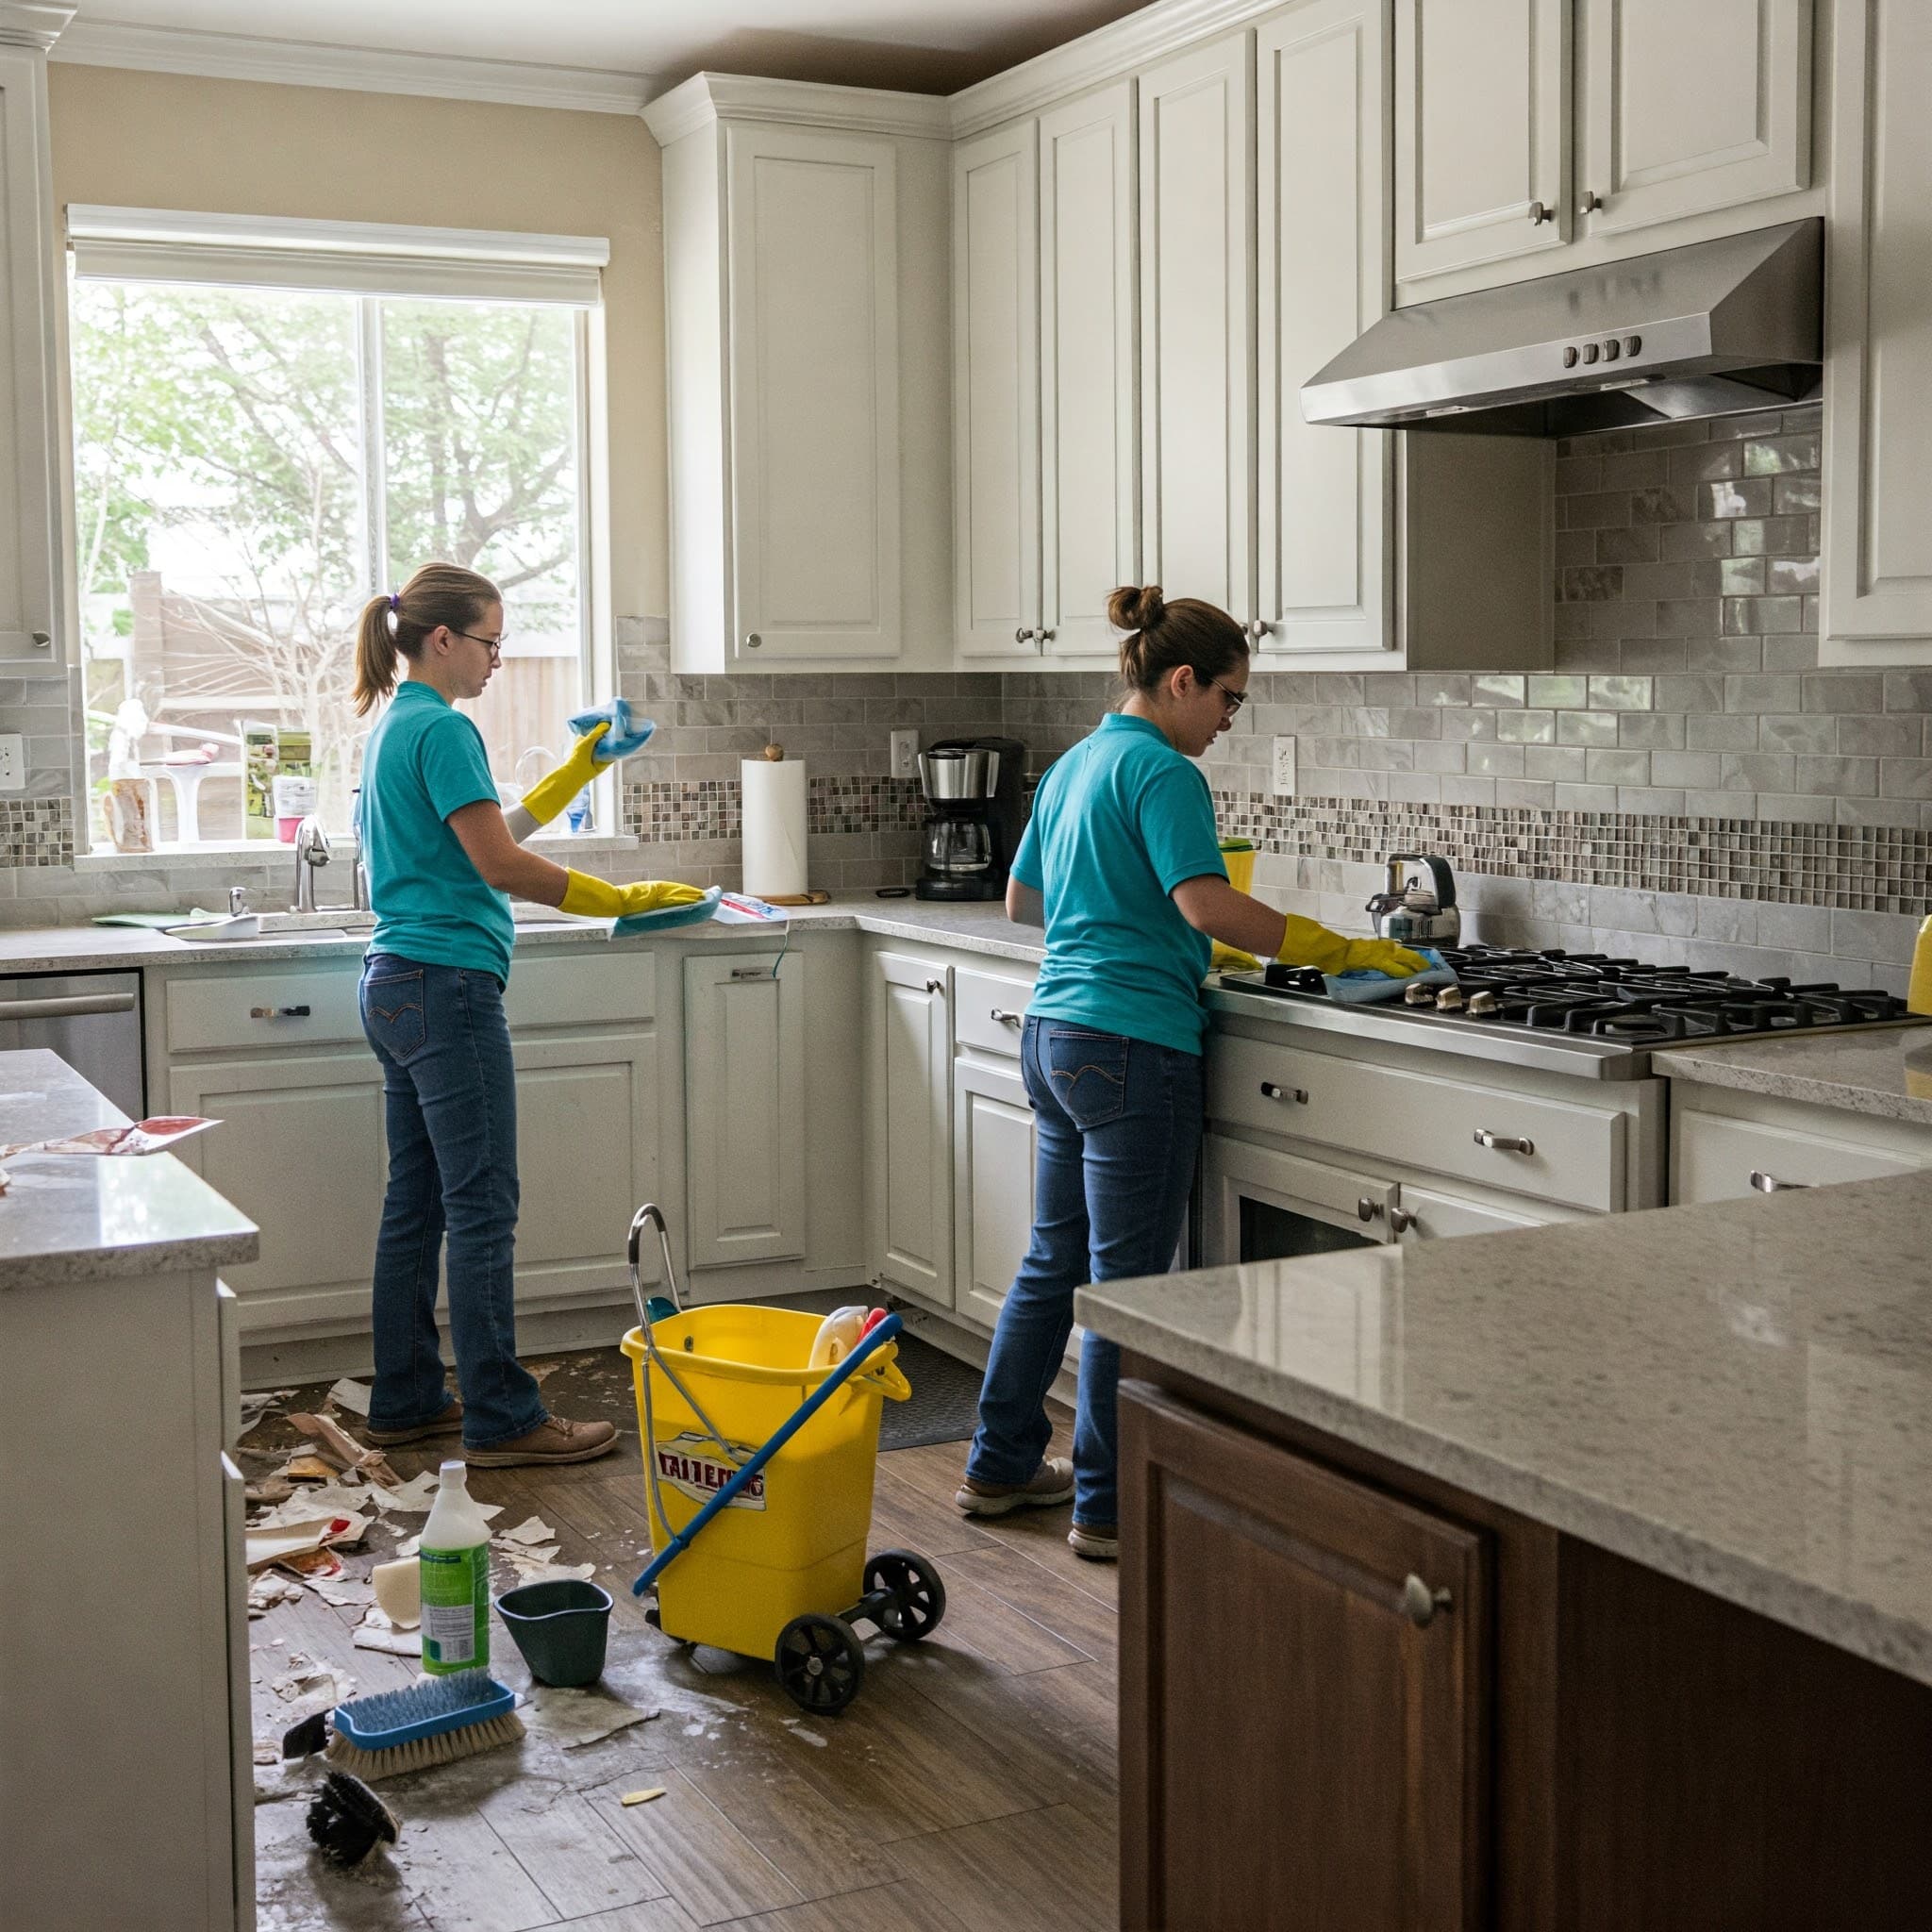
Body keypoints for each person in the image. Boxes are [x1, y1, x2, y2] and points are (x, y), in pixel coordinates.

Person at [955, 584, 1426, 1558]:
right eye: (1227, 699)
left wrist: (1130, 926)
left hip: (1055, 1033)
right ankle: (1110, 1505)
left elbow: (1020, 902)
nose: (1226, 720)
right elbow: (1207, 905)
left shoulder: (1075, 763)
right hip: (1132, 1044)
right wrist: (1334, 948)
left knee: (1054, 1259)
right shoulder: (1163, 772)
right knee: (1129, 1284)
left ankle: (999, 1463)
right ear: (1181, 681)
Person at [351, 561, 705, 1466]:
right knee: (481, 1208)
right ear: (443, 640)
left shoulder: (398, 726)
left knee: (417, 1203)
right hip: (447, 987)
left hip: (395, 984)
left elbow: (483, 840)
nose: (498, 659)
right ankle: (505, 1420)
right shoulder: (446, 728)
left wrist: (575, 771)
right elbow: (501, 869)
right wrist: (619, 898)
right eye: (490, 642)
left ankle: (404, 1399)